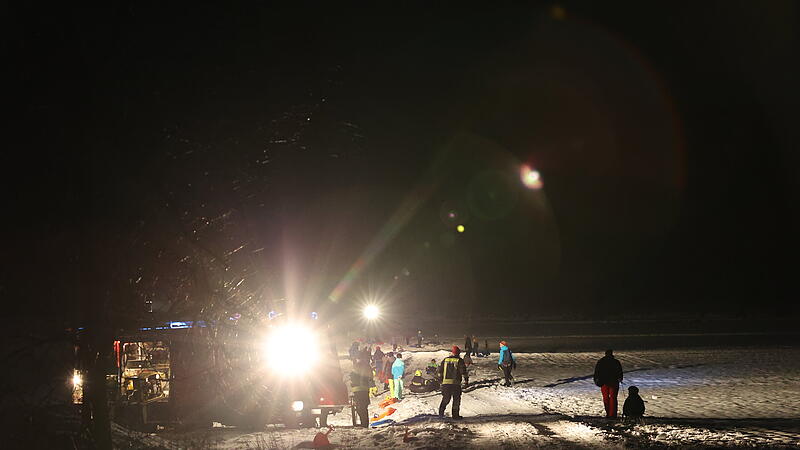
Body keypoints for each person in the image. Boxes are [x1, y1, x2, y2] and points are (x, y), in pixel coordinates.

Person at [438, 345, 469, 419]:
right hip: (455, 384)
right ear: (458, 353)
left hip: (445, 384)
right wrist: (466, 380)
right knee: (456, 399)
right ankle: (455, 415)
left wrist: (441, 381)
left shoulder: (445, 360)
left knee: (446, 398)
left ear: (452, 353)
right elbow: (463, 371)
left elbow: (440, 371)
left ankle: (441, 413)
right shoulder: (459, 360)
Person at [594, 349, 624, 418]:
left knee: (606, 398)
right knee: (613, 398)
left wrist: (597, 380)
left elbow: (597, 372)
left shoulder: (601, 362)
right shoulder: (616, 362)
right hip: (614, 382)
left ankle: (608, 413)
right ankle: (612, 414)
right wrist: (620, 378)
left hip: (604, 382)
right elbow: (619, 371)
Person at [349, 358, 373, 428]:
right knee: (364, 407)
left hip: (357, 390)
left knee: (359, 407)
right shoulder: (366, 369)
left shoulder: (355, 369)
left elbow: (351, 378)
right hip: (365, 390)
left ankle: (363, 423)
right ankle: (365, 423)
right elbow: (370, 377)